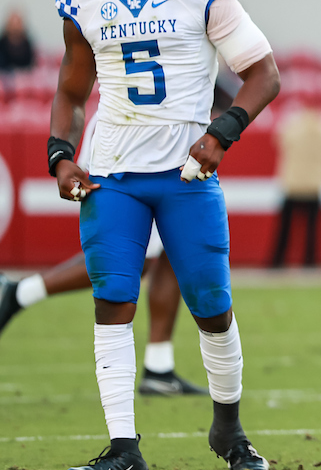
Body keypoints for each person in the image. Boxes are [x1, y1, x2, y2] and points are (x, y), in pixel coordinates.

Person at [50, 0, 279, 470]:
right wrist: (60, 155)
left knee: (211, 304)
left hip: (185, 172)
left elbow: (263, 74)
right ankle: (123, 447)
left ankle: (229, 428)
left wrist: (220, 134)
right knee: (112, 301)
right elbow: (71, 91)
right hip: (112, 173)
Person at [0, 117, 206, 396]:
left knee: (174, 243)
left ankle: (159, 366)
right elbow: (71, 95)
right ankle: (20, 293)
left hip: (171, 136)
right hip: (128, 135)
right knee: (130, 258)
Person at [269, 101, 321, 268]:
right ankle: (310, 261)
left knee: (285, 229)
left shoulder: (292, 127)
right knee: (312, 229)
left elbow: (278, 140)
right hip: (314, 185)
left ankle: (278, 262)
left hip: (292, 184)